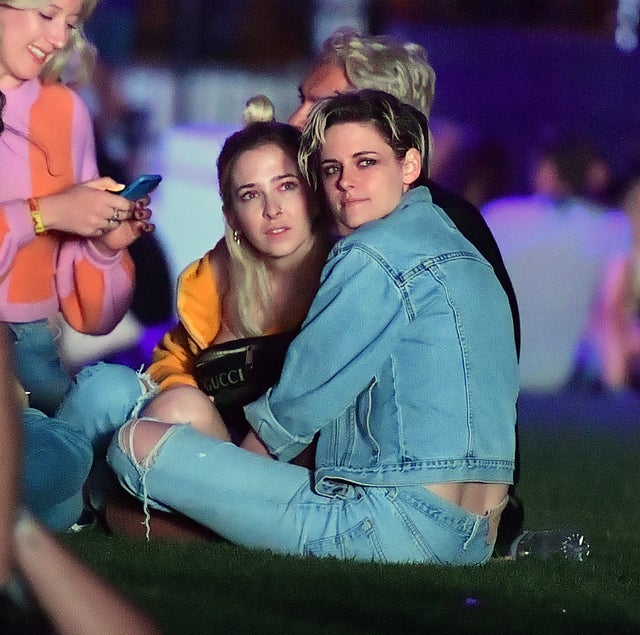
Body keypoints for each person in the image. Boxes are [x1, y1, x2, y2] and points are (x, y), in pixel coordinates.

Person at [105, 89, 519, 565]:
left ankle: (218, 540)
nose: (346, 182)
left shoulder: (372, 255)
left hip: (394, 524)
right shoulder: (462, 248)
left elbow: (291, 414)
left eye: (366, 162)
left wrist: (223, 491)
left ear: (409, 166)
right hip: (477, 533)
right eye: (331, 169)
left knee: (134, 445)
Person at [287, 26, 523, 555]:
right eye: (300, 99)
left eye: (321, 104)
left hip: (401, 488)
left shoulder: (427, 230)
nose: (298, 118)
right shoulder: (354, 212)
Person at [56, 96, 331, 535]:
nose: (272, 209)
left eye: (286, 186)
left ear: (313, 192)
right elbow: (173, 359)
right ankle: (45, 509)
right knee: (105, 387)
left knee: (178, 405)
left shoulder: (343, 274)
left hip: (286, 477)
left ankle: (92, 505)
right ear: (231, 215)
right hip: (203, 444)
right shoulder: (213, 277)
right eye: (250, 194)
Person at [0, 0, 154, 417]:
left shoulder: (66, 111)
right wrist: (43, 213)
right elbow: (49, 215)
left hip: (36, 352)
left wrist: (104, 249)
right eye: (47, 16)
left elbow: (89, 318)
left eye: (71, 24)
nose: (59, 39)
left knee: (117, 395)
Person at [0, 321, 159, 634]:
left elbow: (99, 315)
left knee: (112, 388)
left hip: (40, 426)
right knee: (69, 454)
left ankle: (85, 497)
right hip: (37, 439)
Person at [483, 134, 630, 393]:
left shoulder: (497, 217)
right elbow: (609, 315)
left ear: (545, 169)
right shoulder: (611, 228)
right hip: (565, 391)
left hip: (495, 383)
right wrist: (616, 395)